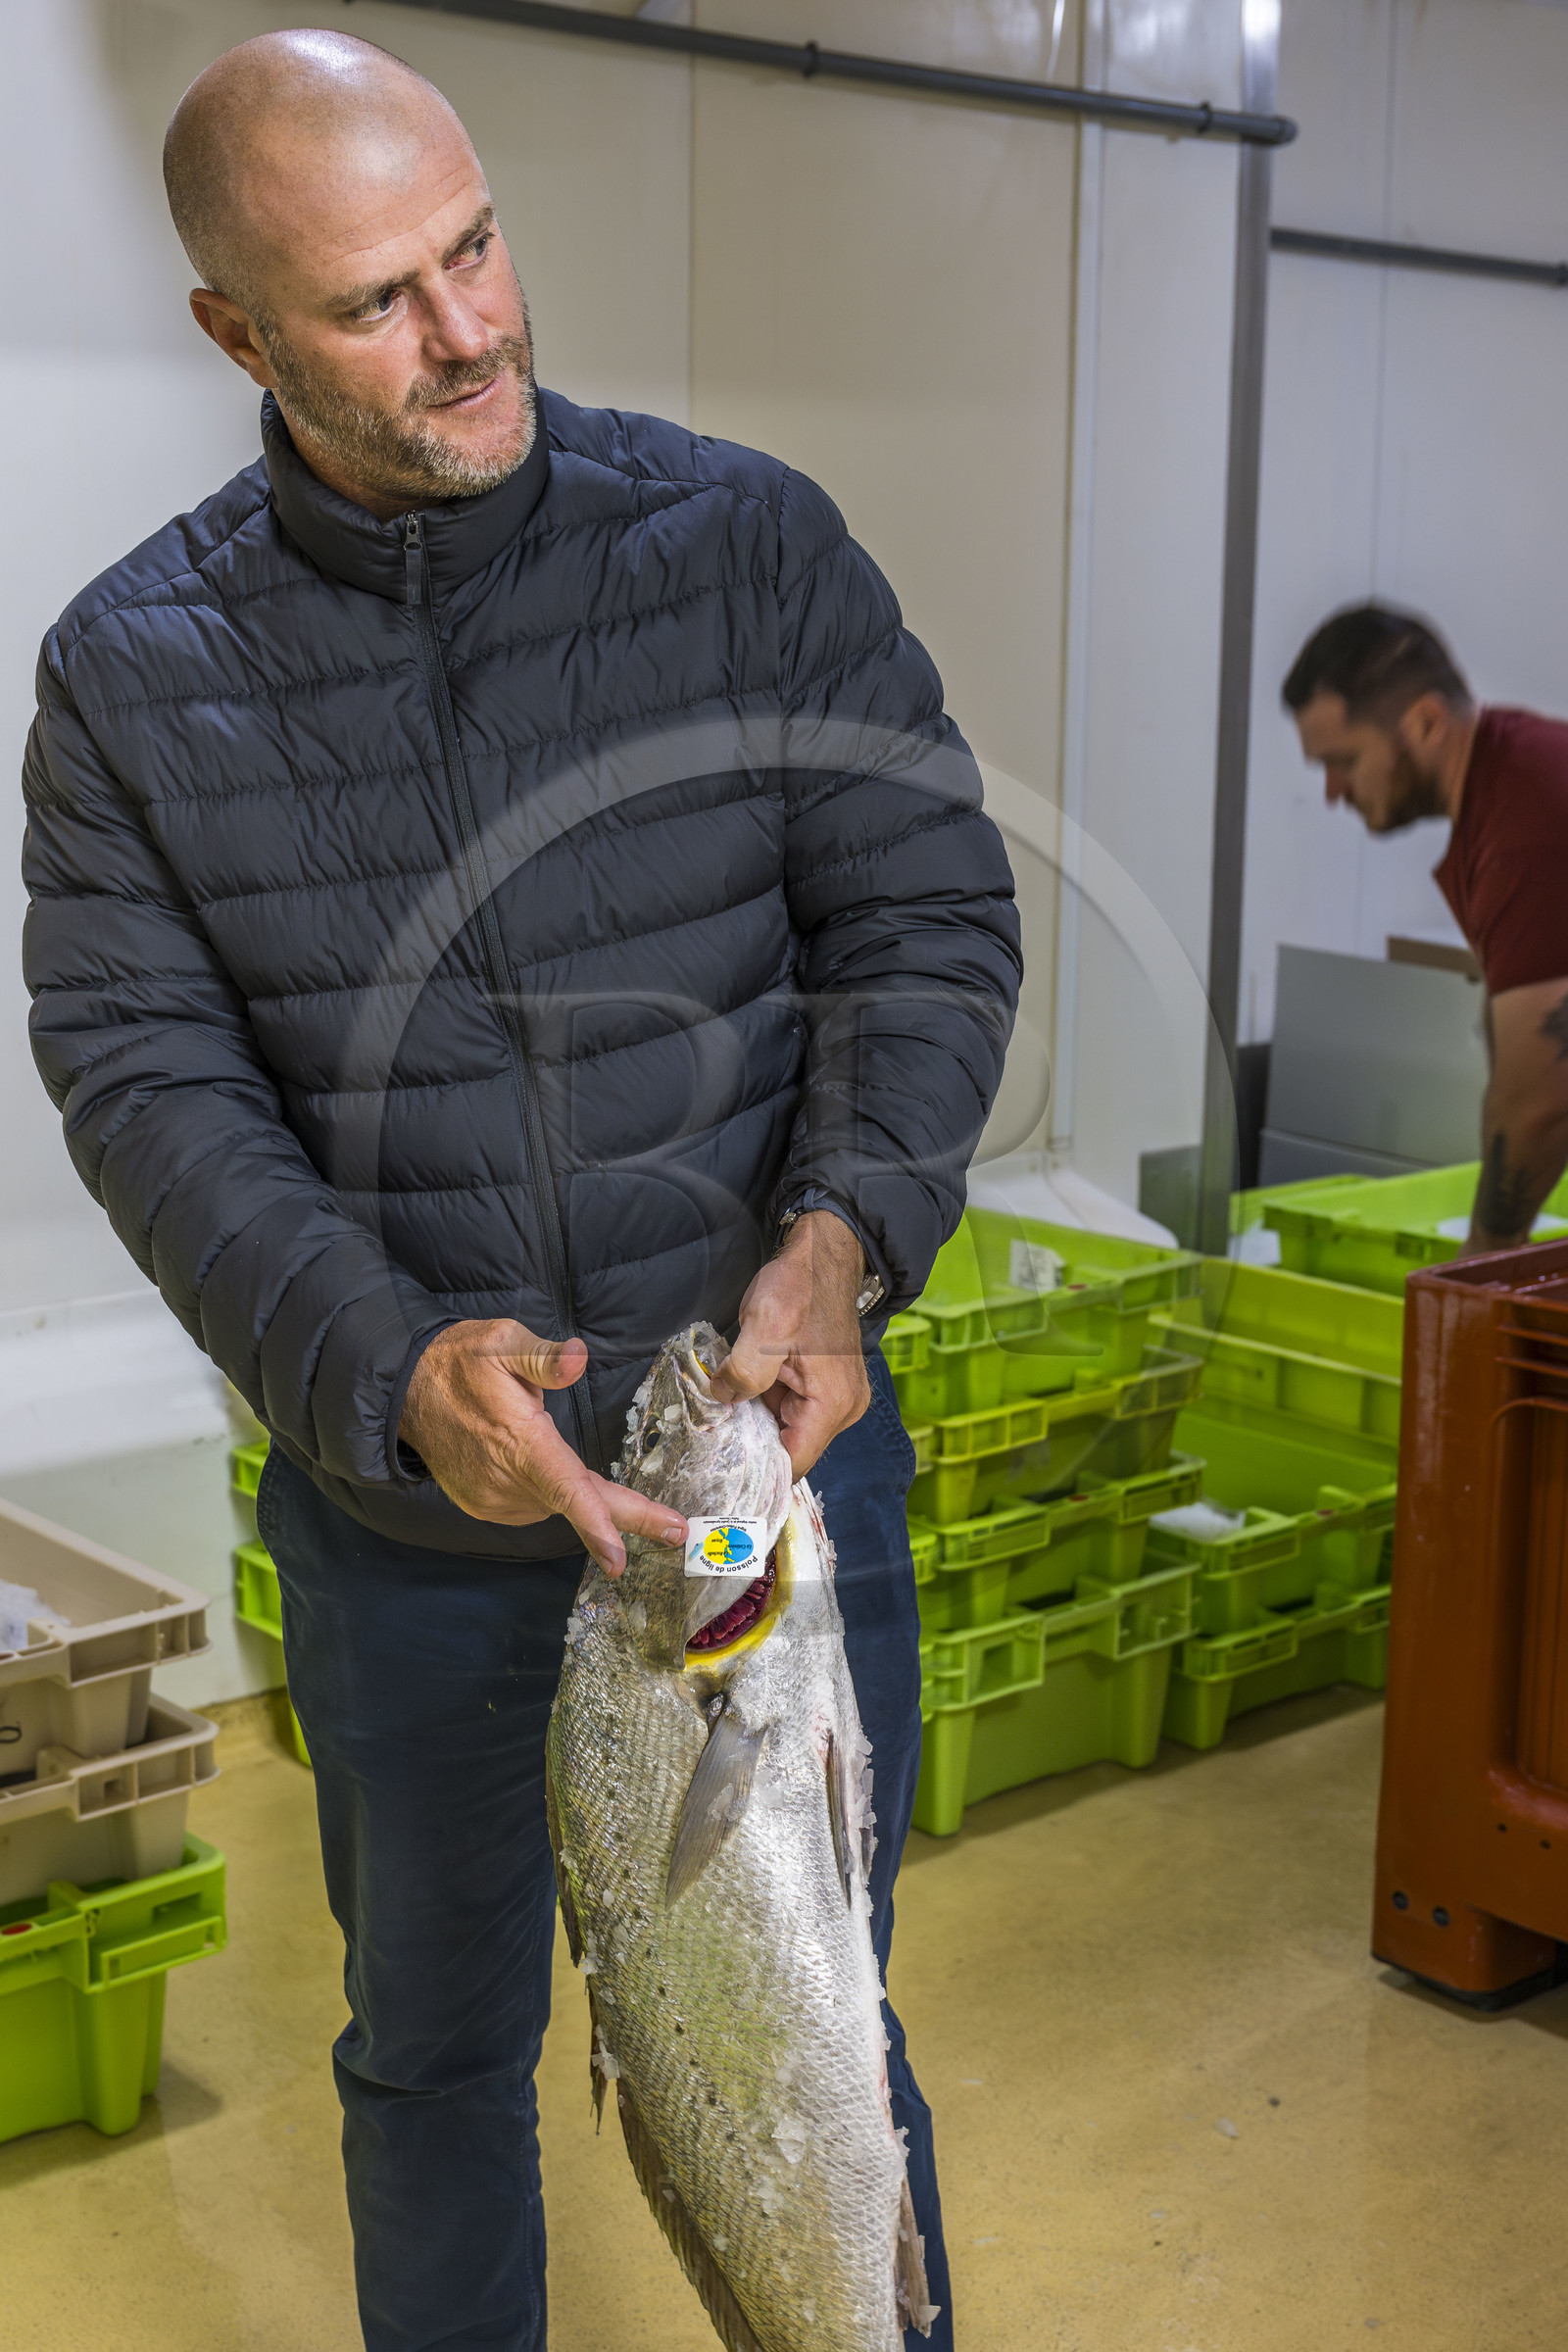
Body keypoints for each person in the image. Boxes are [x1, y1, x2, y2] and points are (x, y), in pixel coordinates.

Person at [21, 27, 1021, 2352]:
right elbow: (146, 1076)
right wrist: (384, 1368)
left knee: (805, 2016)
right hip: (418, 1541)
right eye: (374, 300)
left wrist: (841, 1229)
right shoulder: (130, 678)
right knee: (437, 2055)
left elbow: (922, 915)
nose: (467, 331)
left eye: (473, 249)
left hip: (758, 1481)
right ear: (234, 334)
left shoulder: (744, 545)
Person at [1284, 603, 1568, 1254]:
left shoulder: (1525, 823)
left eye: (1344, 760)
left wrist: (1483, 1266)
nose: (1331, 790)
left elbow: (1539, 1104)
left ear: (1427, 722)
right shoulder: (1504, 786)